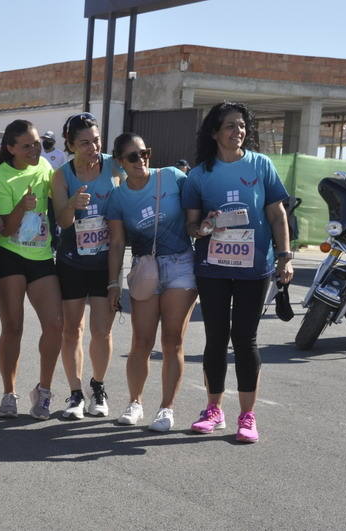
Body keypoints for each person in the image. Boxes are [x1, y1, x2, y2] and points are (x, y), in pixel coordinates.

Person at [183, 101, 293, 443]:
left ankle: (247, 416)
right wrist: (204, 227)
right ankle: (213, 410)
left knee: (245, 339)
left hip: (254, 268)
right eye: (230, 126)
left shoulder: (261, 165)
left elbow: (277, 215)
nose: (238, 131)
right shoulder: (200, 174)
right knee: (216, 338)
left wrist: (285, 256)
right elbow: (190, 227)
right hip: (213, 268)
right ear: (215, 132)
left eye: (242, 126)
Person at [107, 132, 197, 432]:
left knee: (173, 341)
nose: (141, 160)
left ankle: (166, 409)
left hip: (181, 265)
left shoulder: (172, 177)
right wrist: (113, 283)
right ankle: (135, 402)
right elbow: (117, 243)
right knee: (142, 341)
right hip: (145, 269)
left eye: (145, 153)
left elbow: (195, 211)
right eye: (133, 156)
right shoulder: (118, 196)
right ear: (120, 162)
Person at [0, 119, 63, 420]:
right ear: (11, 149)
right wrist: (22, 206)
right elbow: (5, 231)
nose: (34, 149)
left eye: (36, 143)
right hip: (8, 255)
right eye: (27, 145)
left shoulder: (45, 167)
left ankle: (43, 392)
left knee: (55, 325)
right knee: (13, 327)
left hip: (41, 256)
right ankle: (9, 393)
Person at [51, 113, 119, 420]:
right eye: (85, 143)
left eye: (97, 140)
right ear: (70, 145)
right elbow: (62, 222)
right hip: (72, 261)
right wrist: (71, 205)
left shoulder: (113, 165)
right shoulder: (62, 176)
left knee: (101, 330)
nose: (93, 148)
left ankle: (98, 388)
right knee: (72, 330)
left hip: (105, 261)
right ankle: (76, 393)